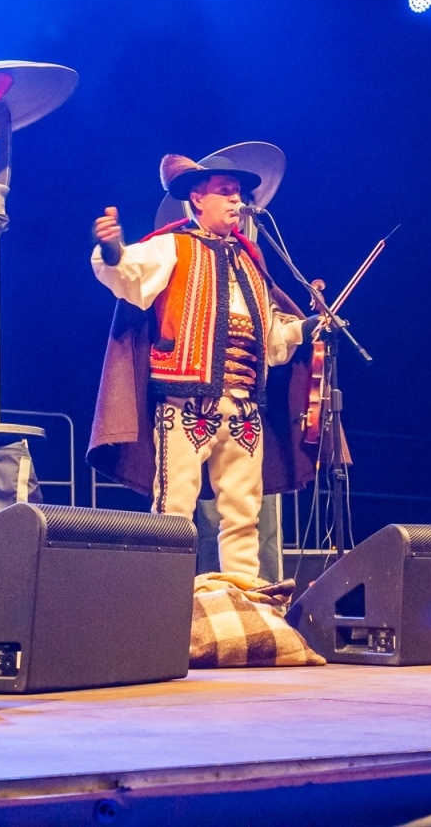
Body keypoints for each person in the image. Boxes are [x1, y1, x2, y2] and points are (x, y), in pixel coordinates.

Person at [86, 153, 315, 578]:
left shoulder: (251, 261)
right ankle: (164, 599)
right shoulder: (174, 246)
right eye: (225, 192)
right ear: (197, 198)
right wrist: (112, 249)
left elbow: (269, 344)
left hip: (245, 410)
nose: (235, 201)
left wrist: (305, 328)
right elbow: (129, 274)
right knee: (174, 509)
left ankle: (243, 602)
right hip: (185, 405)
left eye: (238, 193)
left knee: (244, 516)